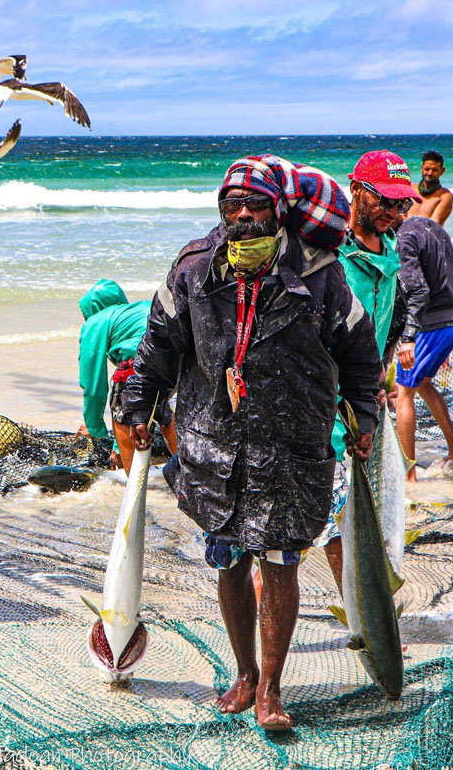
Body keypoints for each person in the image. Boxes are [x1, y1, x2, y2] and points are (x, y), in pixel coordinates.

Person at [121, 155, 381, 731]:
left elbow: (359, 352)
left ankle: (271, 688)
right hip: (214, 445)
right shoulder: (192, 269)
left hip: (291, 446)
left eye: (254, 206)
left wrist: (362, 414)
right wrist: (138, 403)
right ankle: (242, 673)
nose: (241, 216)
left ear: (278, 210)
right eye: (230, 206)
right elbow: (158, 344)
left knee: (282, 564)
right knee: (230, 561)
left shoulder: (321, 273)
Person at [307, 150, 417, 592]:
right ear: (355, 190)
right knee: (324, 522)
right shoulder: (329, 258)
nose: (393, 213)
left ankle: (368, 612)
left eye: (401, 204)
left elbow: (389, 326)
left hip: (366, 408)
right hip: (326, 410)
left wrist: (380, 384)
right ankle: (367, 617)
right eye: (384, 202)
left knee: (365, 516)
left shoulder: (391, 258)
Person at [394, 215, 453, 481]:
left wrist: (408, 337)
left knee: (402, 391)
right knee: (423, 384)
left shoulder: (404, 237)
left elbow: (418, 291)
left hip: (435, 323)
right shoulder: (431, 226)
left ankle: (408, 475)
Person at [75, 279, 176, 472]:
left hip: (141, 360)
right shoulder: (135, 311)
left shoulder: (97, 322)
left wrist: (95, 427)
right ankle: (187, 472)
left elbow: (93, 384)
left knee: (123, 411)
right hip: (175, 359)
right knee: (162, 408)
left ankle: (132, 479)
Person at [406, 150, 453, 225]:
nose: (429, 173)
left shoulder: (445, 196)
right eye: (427, 169)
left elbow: (434, 224)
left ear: (442, 171)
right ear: (422, 168)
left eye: (434, 170)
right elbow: (400, 217)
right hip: (404, 234)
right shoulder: (410, 189)